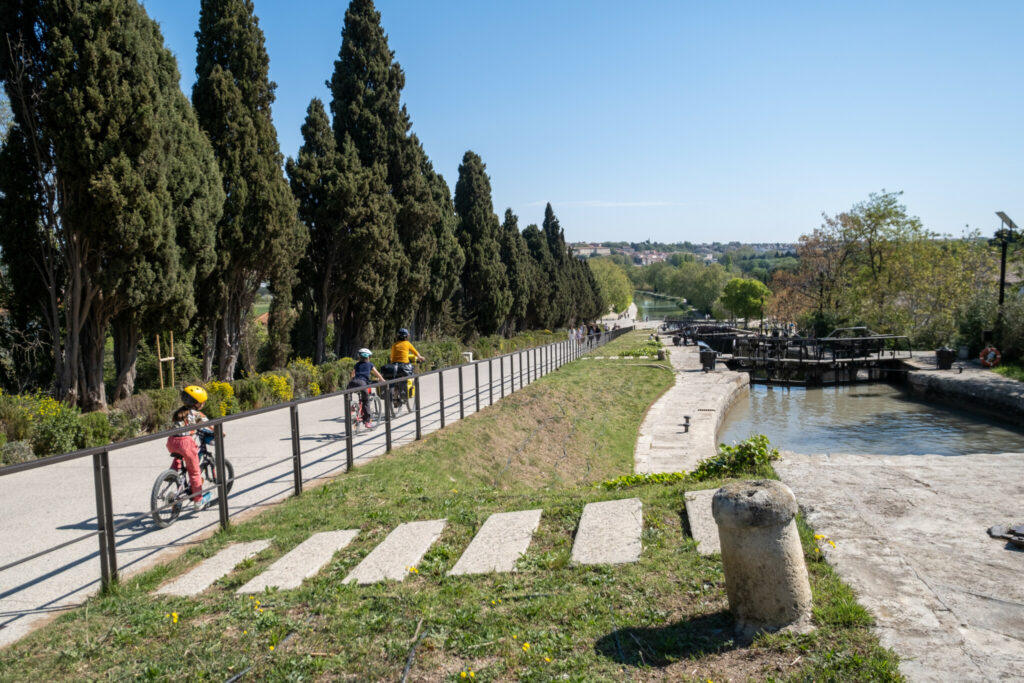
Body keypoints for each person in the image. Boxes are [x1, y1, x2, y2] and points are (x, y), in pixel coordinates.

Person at [165, 385, 212, 510]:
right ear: (197, 403)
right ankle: (198, 501)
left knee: (180, 456)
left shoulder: (178, 412)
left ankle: (173, 472)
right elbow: (210, 425)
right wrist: (220, 433)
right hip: (186, 443)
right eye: (203, 402)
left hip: (171, 441)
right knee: (195, 472)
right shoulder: (197, 414)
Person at [348, 348, 385, 428]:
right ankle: (367, 421)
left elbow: (352, 375)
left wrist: (352, 381)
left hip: (353, 382)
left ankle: (351, 405)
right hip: (362, 383)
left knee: (348, 393)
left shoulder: (357, 364)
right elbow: (377, 374)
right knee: (366, 401)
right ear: (368, 357)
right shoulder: (370, 364)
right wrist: (383, 381)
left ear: (360, 357)